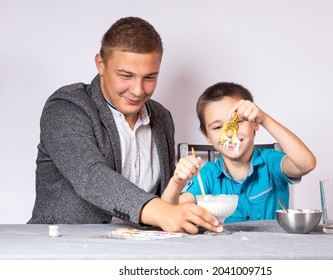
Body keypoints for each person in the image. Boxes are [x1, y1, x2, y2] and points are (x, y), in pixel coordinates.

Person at [28, 17, 222, 234]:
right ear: (101, 64)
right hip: (63, 249)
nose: (138, 90)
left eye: (149, 77)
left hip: (142, 253)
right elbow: (90, 176)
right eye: (126, 76)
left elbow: (166, 198)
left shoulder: (162, 117)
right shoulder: (66, 106)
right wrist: (162, 212)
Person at [162, 82, 316, 222]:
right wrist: (176, 183)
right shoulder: (208, 175)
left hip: (273, 250)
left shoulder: (270, 163)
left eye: (238, 122)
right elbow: (168, 213)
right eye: (217, 127)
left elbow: (306, 163)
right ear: (207, 136)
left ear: (255, 123)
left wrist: (264, 118)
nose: (229, 134)